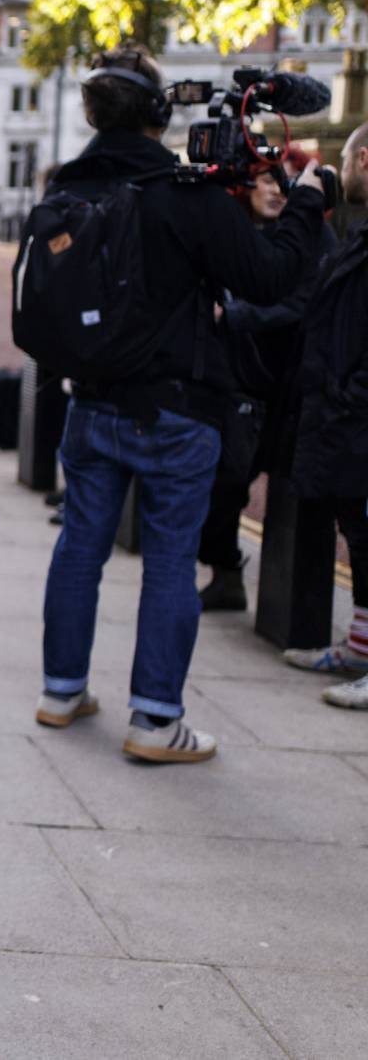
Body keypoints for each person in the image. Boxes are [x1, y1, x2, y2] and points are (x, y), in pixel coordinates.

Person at [34, 49, 327, 763]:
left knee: (80, 547)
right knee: (169, 560)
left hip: (89, 402)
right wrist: (309, 197)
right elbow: (269, 274)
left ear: (90, 112)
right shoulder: (182, 191)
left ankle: (61, 690)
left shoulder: (65, 187)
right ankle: (156, 718)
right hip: (176, 407)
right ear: (159, 114)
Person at [194, 169, 333, 610]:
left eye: (285, 184)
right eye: (267, 182)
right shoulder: (234, 230)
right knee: (221, 485)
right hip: (241, 383)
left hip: (292, 385)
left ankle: (287, 604)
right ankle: (226, 572)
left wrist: (234, 317)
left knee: (279, 487)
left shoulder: (316, 235)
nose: (276, 191)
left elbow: (303, 304)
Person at [279, 119, 368, 708]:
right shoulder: (359, 234)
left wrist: (349, 396)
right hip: (346, 414)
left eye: (352, 159)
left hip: (357, 410)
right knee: (358, 532)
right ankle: (361, 646)